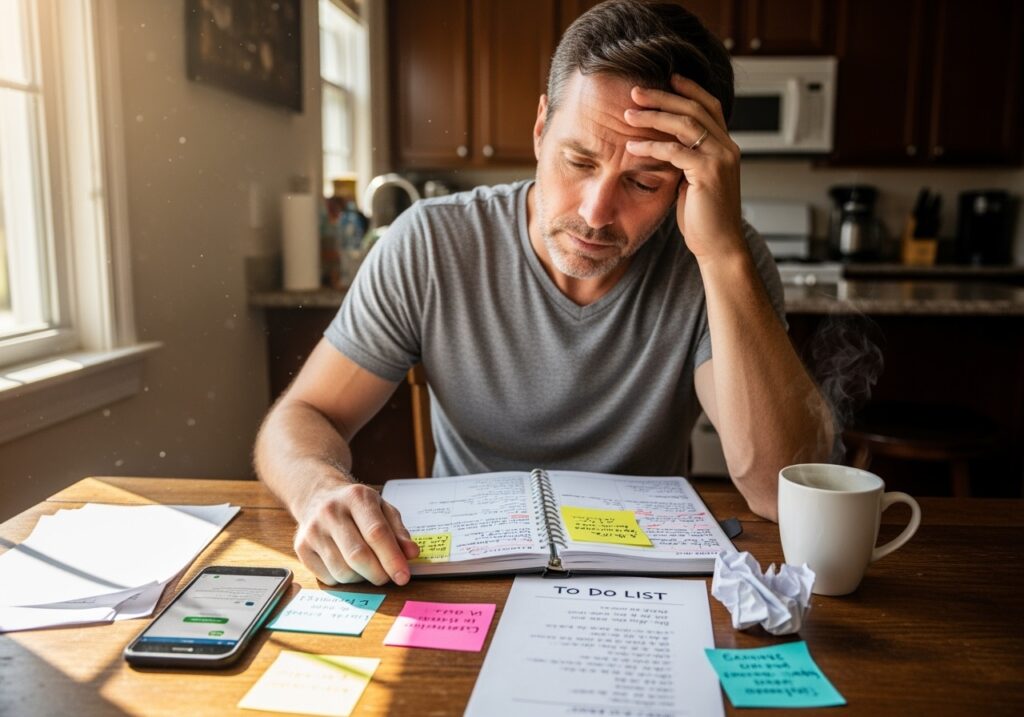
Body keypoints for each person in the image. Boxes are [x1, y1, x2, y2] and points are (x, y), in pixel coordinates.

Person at [254, 0, 833, 587]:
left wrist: (724, 254)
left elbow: (775, 490)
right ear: (539, 130)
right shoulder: (430, 243)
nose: (596, 212)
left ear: (687, 180)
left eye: (644, 181)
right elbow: (302, 417)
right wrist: (319, 487)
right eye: (578, 160)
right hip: (458, 571)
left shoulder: (723, 259)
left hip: (640, 579)